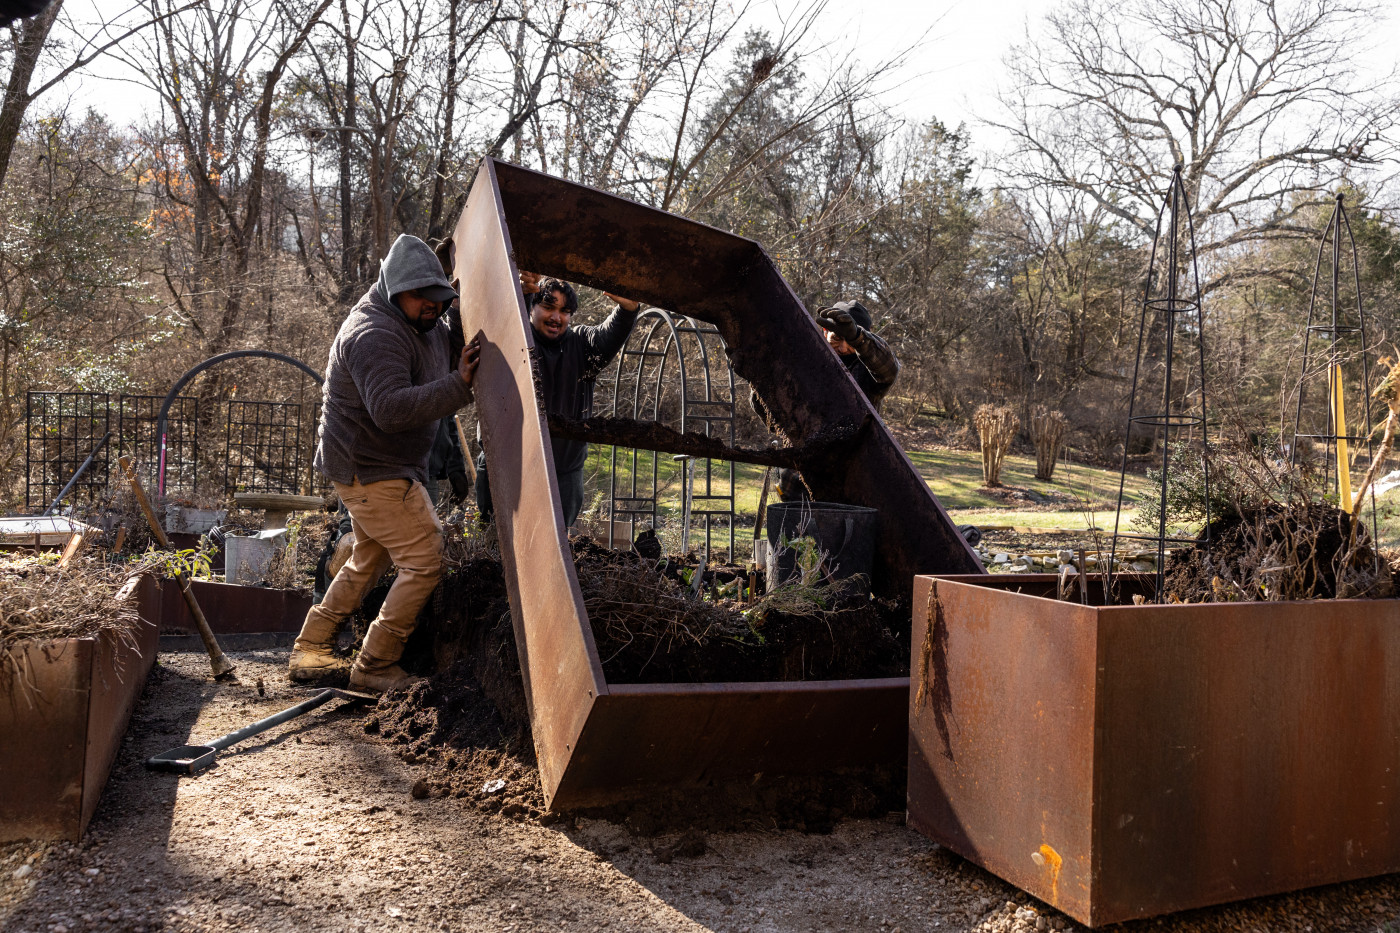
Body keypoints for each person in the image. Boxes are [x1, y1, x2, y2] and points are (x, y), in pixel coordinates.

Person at [288, 233, 481, 692]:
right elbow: (391, 410)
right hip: (369, 468)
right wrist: (459, 385)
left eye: (439, 297)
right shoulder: (374, 333)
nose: (433, 307)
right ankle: (375, 664)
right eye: (422, 298)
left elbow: (443, 341)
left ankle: (311, 647)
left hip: (379, 465)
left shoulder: (420, 319)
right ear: (394, 291)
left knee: (368, 557)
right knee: (425, 558)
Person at [475, 272, 640, 528]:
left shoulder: (584, 348)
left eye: (564, 311)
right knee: (495, 548)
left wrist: (628, 310)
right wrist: (519, 292)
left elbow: (609, 335)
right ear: (531, 307)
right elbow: (498, 320)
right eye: (548, 307)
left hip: (562, 475)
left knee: (553, 556)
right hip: (506, 469)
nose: (556, 317)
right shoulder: (512, 338)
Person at [757, 299, 901, 501]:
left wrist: (858, 338)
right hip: (797, 485)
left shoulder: (868, 372)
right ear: (825, 332)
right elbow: (770, 410)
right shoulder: (806, 364)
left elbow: (888, 369)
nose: (842, 347)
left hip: (850, 484)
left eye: (849, 341)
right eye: (837, 338)